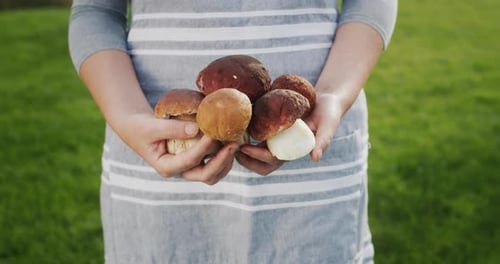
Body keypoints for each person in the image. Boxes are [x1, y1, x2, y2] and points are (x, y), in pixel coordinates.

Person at [69, 0, 397, 263]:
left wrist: (334, 96)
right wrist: (127, 115)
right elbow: (95, 10)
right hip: (157, 154)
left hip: (310, 143)